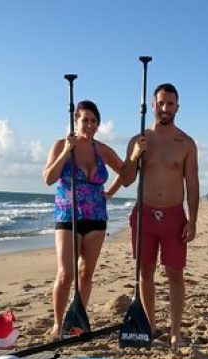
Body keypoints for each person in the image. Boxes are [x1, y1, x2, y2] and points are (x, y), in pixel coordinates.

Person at [120, 83, 199, 351]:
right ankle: (151, 325)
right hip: (144, 215)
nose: (165, 108)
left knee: (175, 274)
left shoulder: (186, 143)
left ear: (178, 106)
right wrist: (134, 156)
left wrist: (194, 219)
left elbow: (193, 184)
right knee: (145, 271)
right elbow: (127, 180)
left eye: (171, 104)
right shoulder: (139, 140)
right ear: (152, 105)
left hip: (174, 215)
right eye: (161, 103)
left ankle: (175, 331)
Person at [43, 100, 124, 337]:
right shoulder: (61, 144)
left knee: (85, 273)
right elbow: (48, 178)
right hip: (68, 215)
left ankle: (78, 318)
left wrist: (110, 192)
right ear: (75, 120)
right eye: (85, 119)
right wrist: (66, 152)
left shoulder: (103, 149)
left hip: (97, 217)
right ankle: (58, 323)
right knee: (66, 273)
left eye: (94, 120)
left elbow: (127, 172)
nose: (89, 125)